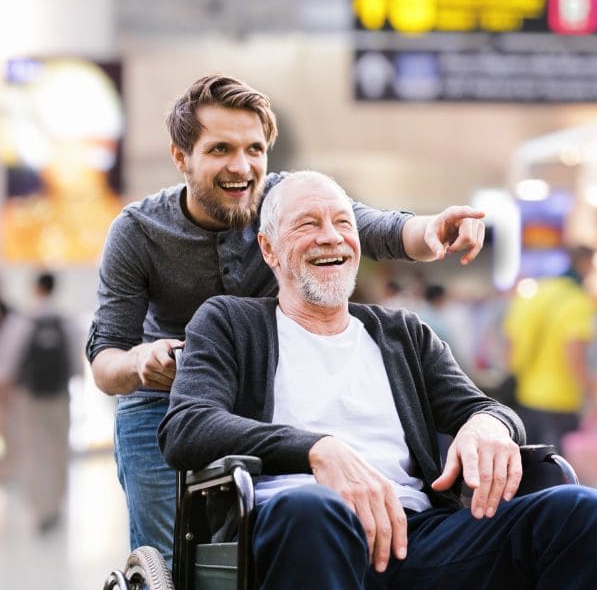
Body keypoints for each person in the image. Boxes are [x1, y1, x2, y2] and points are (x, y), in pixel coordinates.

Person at [158, 171, 597, 590]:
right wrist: (316, 450)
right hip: (302, 539)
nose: (331, 237)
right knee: (312, 510)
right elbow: (187, 427)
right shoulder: (230, 323)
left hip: (416, 540)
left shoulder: (401, 334)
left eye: (343, 223)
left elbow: (483, 407)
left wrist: (490, 424)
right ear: (269, 249)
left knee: (586, 514)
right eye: (308, 224)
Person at [87, 74, 489, 564]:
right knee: (171, 563)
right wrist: (141, 362)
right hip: (162, 403)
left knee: (263, 551)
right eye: (220, 150)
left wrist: (436, 230)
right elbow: (105, 360)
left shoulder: (283, 204)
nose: (242, 167)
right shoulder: (137, 232)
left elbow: (378, 228)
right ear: (181, 157)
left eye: (254, 149)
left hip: (257, 398)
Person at [0, 272, 82, 534]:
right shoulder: (65, 321)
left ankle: (40, 510)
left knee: (35, 452)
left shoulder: (23, 321)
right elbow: (76, 365)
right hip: (60, 395)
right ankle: (56, 505)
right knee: (58, 450)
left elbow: (8, 365)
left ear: (36, 289)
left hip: (30, 398)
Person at [503, 246, 597, 448]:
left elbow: (511, 344)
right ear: (584, 264)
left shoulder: (534, 294)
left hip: (526, 398)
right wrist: (592, 397)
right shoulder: (578, 301)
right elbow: (574, 354)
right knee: (558, 473)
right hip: (561, 401)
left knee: (531, 469)